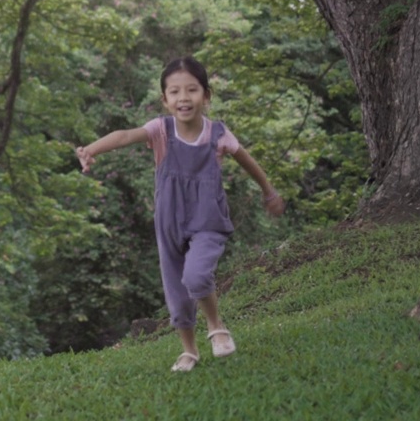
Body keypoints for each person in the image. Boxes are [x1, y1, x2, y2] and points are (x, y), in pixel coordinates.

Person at [75, 56, 285, 372]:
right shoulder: (161, 130)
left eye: (192, 90)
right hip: (169, 222)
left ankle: (216, 327)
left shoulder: (218, 134)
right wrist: (91, 149)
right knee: (176, 288)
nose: (183, 98)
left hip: (207, 221)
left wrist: (269, 192)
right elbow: (123, 136)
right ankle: (189, 351)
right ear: (165, 99)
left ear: (206, 95)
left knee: (196, 275)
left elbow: (248, 161)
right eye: (174, 92)